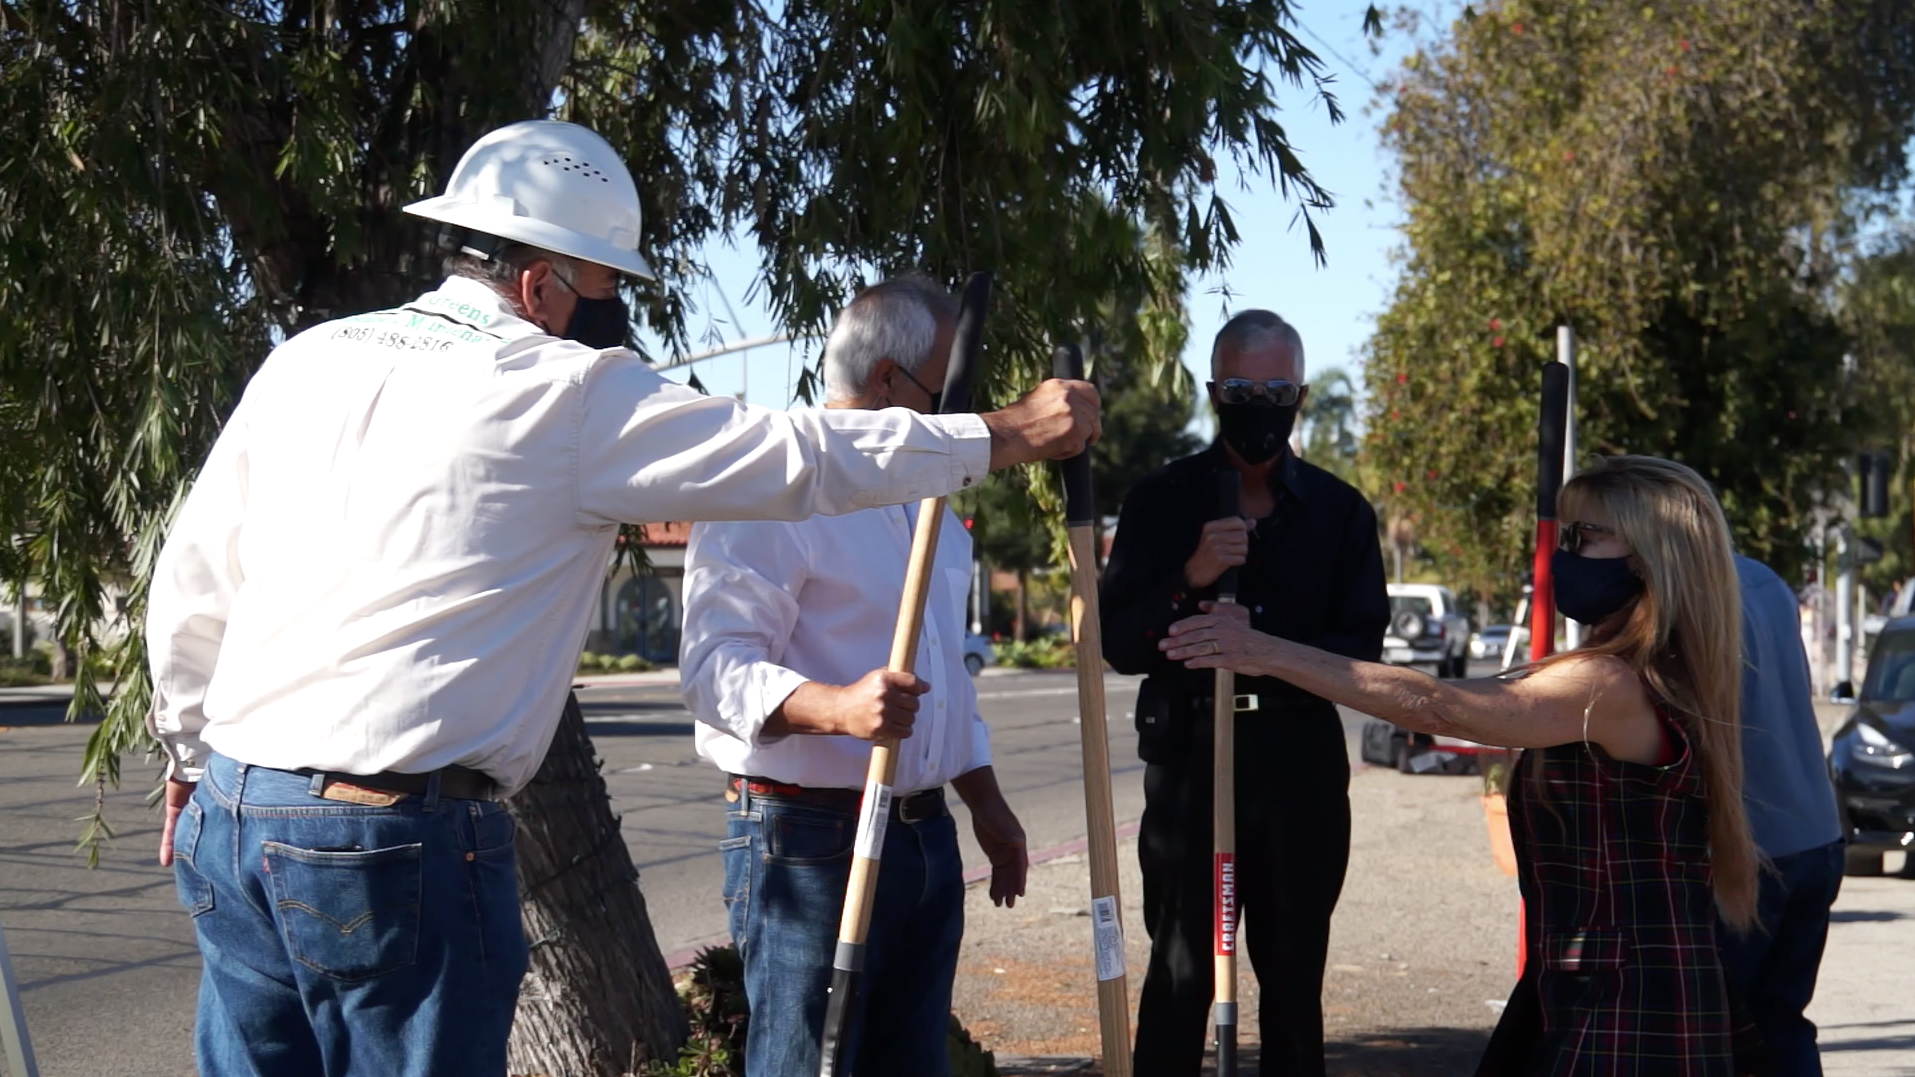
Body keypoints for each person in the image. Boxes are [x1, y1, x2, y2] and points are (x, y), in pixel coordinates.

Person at [143, 120, 1100, 1077]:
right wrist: (1006, 433)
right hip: (392, 839)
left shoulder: (309, 358)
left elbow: (194, 575)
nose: (603, 315)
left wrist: (186, 754)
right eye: (601, 288)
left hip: (234, 807)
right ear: (539, 284)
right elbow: (793, 454)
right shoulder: (562, 391)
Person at [1160, 455, 1767, 1076]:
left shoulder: (1608, 684)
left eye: (1585, 537)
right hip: (1593, 979)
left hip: (1630, 1001)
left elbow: (1438, 705)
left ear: (1648, 558)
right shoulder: (1637, 673)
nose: (1566, 555)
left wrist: (1263, 651)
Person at [678, 275, 1030, 1076]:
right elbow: (712, 667)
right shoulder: (774, 486)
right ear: (888, 382)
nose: (959, 420)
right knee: (807, 1063)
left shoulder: (932, 504)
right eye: (947, 395)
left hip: (924, 833)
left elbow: (943, 676)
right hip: (809, 836)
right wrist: (836, 707)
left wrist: (984, 800)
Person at [1100, 309, 1389, 1077]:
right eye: (1238, 389)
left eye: (1275, 391)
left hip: (1297, 767)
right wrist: (1189, 576)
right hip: (1192, 761)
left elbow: (1361, 653)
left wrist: (1267, 649)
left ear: (1298, 395)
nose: (1257, 405)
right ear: (1211, 392)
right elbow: (1119, 642)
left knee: (1293, 978)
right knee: (1180, 970)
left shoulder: (1338, 512)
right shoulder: (1160, 500)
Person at [1720, 554, 1844, 1074]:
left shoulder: (1687, 581)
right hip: (1815, 830)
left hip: (1748, 845)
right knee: (1781, 1023)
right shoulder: (1764, 580)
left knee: (1714, 1028)